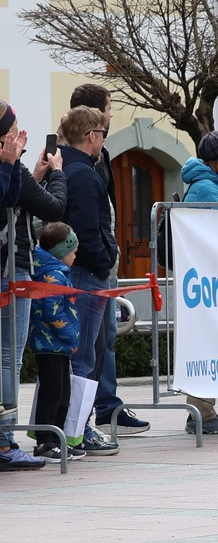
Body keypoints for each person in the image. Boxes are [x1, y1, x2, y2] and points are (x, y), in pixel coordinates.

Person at [55, 106, 123, 453]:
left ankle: (64, 430)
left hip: (80, 270)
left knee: (76, 353)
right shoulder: (82, 172)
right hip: (85, 273)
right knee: (83, 355)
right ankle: (76, 431)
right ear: (91, 136)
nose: (102, 140)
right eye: (102, 133)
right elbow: (87, 228)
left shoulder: (70, 167)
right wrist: (104, 260)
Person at [2, 104, 66, 467]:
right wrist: (56, 174)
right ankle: (4, 439)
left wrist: (30, 173)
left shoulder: (13, 168)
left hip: (13, 267)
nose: (19, 136)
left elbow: (17, 197)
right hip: (12, 269)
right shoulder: (8, 166)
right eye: (14, 130)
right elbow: (53, 208)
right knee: (8, 356)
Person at [28, 221, 81, 459]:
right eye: (72, 250)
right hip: (50, 344)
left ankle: (56, 438)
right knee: (52, 394)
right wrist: (71, 335)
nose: (76, 254)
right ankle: (44, 441)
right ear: (61, 253)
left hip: (58, 346)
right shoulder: (53, 276)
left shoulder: (58, 273)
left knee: (62, 395)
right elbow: (52, 311)